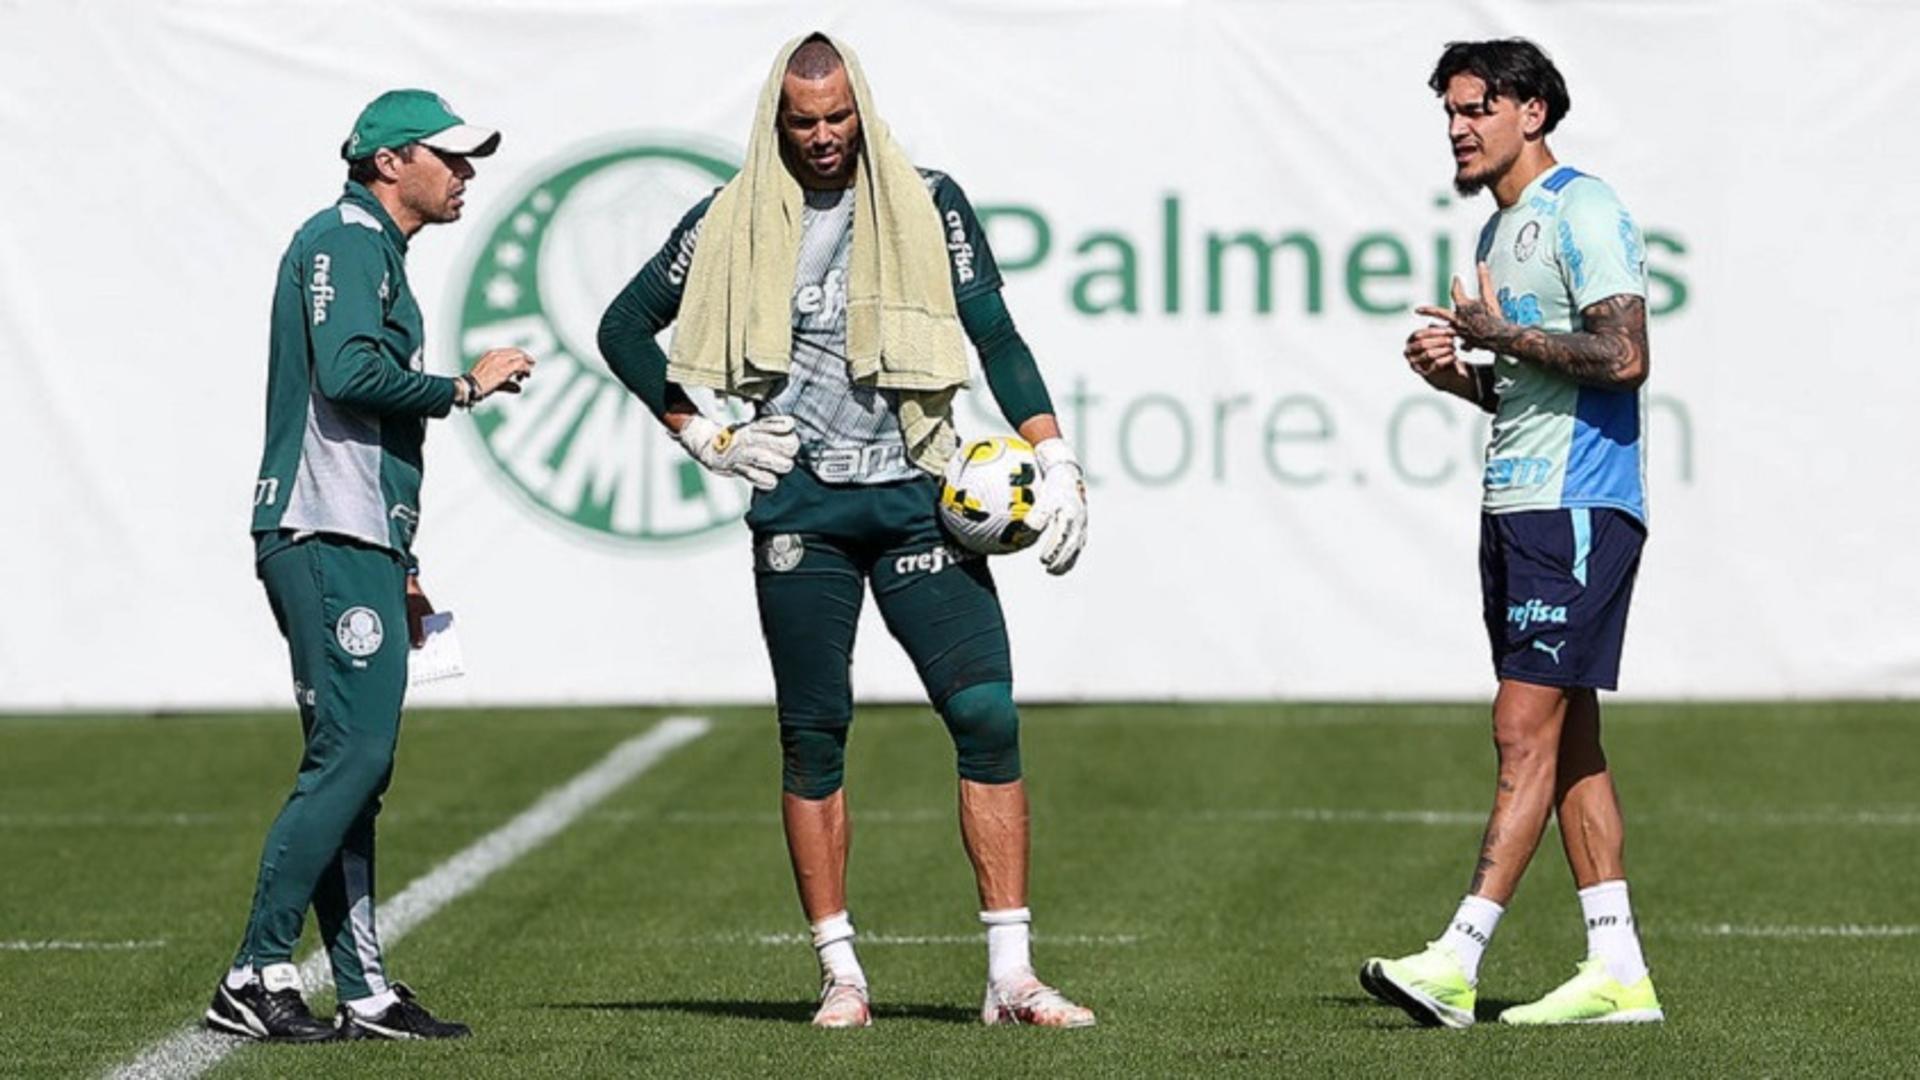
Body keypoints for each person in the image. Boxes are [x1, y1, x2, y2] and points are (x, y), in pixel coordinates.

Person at [598, 33, 1094, 1030]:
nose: (824, 138)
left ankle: (1012, 977)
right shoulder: (724, 221)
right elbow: (620, 326)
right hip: (803, 511)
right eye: (803, 122)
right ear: (774, 122)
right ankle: (842, 974)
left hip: (919, 493)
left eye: (838, 118)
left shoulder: (928, 199)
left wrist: (1055, 454)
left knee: (988, 714)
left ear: (861, 107)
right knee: (815, 735)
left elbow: (991, 330)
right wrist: (706, 435)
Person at [208, 89, 535, 1043]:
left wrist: (402, 554)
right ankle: (254, 970)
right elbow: (348, 374)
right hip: (320, 529)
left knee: (356, 767)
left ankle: (364, 992)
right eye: (450, 156)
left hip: (357, 537)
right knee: (353, 755)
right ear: (391, 161)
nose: (465, 171)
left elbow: (368, 420)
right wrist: (466, 385)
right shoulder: (345, 239)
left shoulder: (372, 251)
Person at [1360, 39, 1662, 1028]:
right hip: (1519, 505)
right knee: (1570, 737)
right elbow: (1528, 389)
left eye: (1476, 108)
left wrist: (1499, 334)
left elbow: (1623, 354)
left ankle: (1457, 958)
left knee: (1520, 726)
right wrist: (1460, 375)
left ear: (1532, 113)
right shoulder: (1501, 234)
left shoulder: (1583, 208)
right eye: (1449, 111)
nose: (1457, 127)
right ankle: (1617, 971)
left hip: (1577, 505)